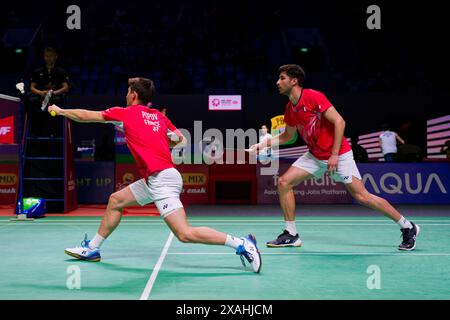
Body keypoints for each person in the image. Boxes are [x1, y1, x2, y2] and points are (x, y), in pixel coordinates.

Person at [49, 77, 261, 272]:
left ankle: (241, 243)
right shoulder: (159, 116)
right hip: (156, 178)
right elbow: (182, 140)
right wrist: (165, 140)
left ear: (133, 95)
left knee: (184, 234)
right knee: (116, 200)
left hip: (162, 179)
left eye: (127, 91)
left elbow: (86, 116)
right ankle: (93, 248)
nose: (125, 94)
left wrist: (60, 111)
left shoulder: (124, 113)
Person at [249, 64, 420, 251]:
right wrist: (262, 144)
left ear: (294, 80)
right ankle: (291, 234)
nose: (277, 82)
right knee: (284, 182)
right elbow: (289, 136)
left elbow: (339, 121)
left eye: (282, 78)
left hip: (339, 155)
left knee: (362, 197)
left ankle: (407, 226)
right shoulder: (290, 108)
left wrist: (334, 154)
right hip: (315, 155)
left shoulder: (313, 96)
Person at [26, 47, 69, 112]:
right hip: (40, 96)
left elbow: (65, 87)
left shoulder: (61, 71)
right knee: (30, 100)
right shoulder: (37, 71)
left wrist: (54, 93)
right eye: (47, 56)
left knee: (57, 101)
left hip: (55, 96)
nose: (49, 58)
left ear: (56, 57)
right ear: (44, 57)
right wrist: (40, 92)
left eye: (51, 56)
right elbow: (32, 87)